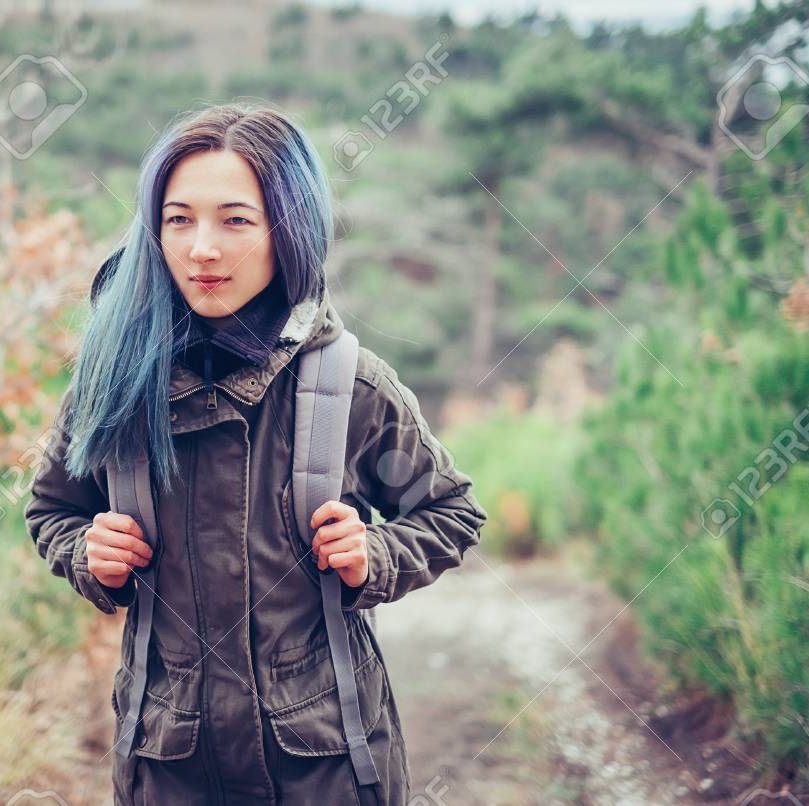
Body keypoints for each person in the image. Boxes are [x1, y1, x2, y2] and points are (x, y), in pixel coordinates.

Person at [25, 103, 487, 806]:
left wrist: (378, 555)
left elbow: (451, 511)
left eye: (235, 220)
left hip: (328, 763)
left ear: (288, 230)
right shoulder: (113, 382)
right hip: (165, 765)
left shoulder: (347, 386)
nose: (202, 248)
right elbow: (53, 509)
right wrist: (88, 552)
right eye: (179, 219)